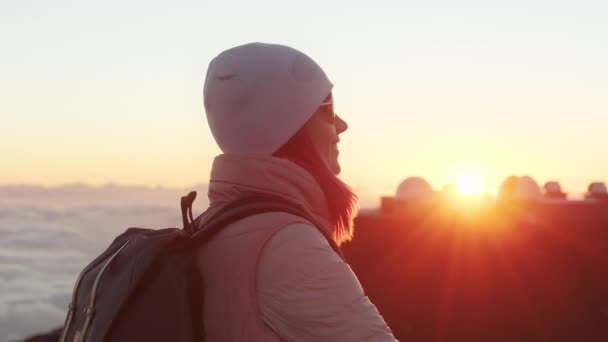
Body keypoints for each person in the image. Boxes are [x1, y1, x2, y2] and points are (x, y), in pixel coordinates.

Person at [198, 42, 396, 341]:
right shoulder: (288, 247)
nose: (342, 124)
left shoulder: (214, 229)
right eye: (328, 107)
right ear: (289, 126)